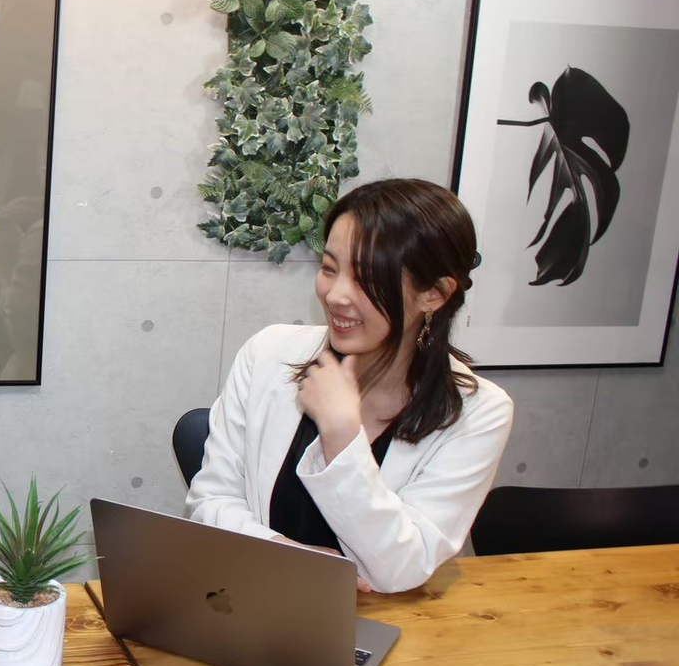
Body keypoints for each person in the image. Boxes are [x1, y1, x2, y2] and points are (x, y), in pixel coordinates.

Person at [186, 178, 514, 594]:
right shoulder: (268, 353)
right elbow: (210, 502)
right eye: (329, 268)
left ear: (434, 294)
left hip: (385, 621)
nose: (336, 295)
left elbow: (401, 569)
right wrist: (285, 555)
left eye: (367, 277)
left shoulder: (478, 411)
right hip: (252, 598)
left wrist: (342, 435)